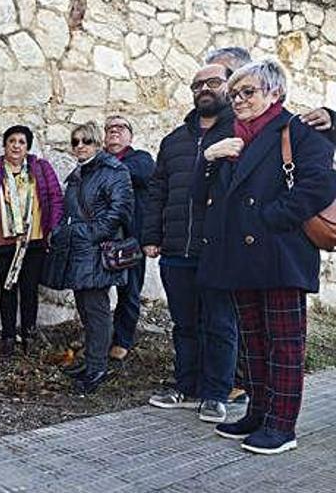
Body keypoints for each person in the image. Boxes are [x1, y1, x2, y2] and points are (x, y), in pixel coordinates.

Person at [196, 60, 336, 454]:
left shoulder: (300, 130)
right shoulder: (231, 138)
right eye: (235, 94)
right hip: (240, 257)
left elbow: (320, 185)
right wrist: (210, 159)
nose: (238, 100)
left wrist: (270, 217)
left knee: (285, 345)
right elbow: (205, 195)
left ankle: (282, 426)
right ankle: (257, 413)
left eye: (248, 92)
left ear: (274, 94)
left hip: (280, 253)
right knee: (253, 342)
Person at [143, 63, 241, 423]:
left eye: (213, 82)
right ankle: (187, 387)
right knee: (184, 324)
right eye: (198, 84)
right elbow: (158, 192)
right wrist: (152, 236)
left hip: (219, 249)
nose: (205, 88)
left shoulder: (241, 132)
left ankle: (217, 394)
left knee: (220, 323)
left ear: (229, 87)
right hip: (175, 250)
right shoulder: (173, 141)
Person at [44, 122, 133, 394]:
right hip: (79, 250)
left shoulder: (114, 171)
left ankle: (97, 367)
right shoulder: (78, 174)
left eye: (86, 141)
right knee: (85, 307)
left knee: (96, 310)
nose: (80, 146)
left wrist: (82, 233)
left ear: (97, 143)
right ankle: (91, 361)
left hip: (96, 250)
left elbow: (118, 212)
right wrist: (61, 232)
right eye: (75, 142)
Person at [0, 125, 64, 359]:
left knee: (29, 290)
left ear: (28, 147)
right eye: (12, 141)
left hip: (34, 241)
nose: (16, 146)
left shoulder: (41, 168)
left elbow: (55, 198)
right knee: (7, 291)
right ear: (5, 145)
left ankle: (29, 335)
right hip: (4, 241)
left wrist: (53, 229)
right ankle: (7, 337)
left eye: (22, 142)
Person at [103, 116, 155, 362]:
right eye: (109, 129)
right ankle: (99, 338)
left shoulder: (140, 159)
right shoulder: (98, 160)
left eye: (120, 127)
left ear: (130, 136)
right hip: (101, 238)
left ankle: (123, 339)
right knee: (97, 290)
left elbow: (137, 175)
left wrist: (101, 168)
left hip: (131, 238)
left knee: (129, 290)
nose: (114, 131)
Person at [207, 46, 336, 143]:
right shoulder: (201, 123)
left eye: (247, 92)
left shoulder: (296, 130)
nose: (238, 99)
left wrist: (331, 120)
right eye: (209, 77)